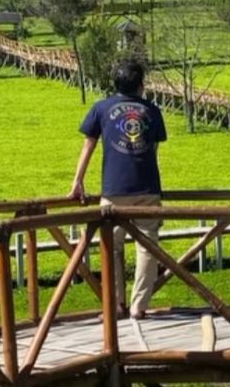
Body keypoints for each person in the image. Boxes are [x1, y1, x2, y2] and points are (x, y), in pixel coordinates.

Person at [69, 58, 166, 319]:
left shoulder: (101, 108)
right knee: (147, 247)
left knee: (110, 247)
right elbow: (153, 151)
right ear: (141, 85)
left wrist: (78, 181)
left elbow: (88, 145)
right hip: (147, 188)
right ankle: (139, 306)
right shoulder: (153, 111)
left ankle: (115, 303)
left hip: (113, 189)